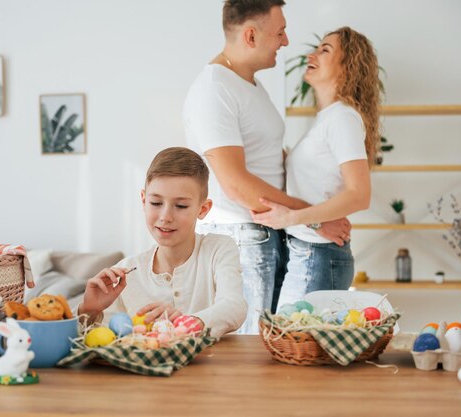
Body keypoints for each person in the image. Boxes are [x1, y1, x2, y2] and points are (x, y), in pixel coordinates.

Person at [183, 0, 350, 334]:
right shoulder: (215, 89)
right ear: (250, 35)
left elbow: (270, 157)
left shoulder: (249, 85)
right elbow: (236, 185)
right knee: (251, 353)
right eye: (280, 32)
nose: (286, 41)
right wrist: (315, 217)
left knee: (272, 347)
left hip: (263, 233)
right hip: (243, 236)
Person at [252, 27, 381, 309]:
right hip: (307, 252)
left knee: (298, 345)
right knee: (295, 345)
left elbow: (359, 194)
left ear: (348, 66)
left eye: (325, 50)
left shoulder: (343, 119)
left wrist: (294, 217)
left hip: (318, 257)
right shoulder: (329, 119)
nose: (311, 54)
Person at [77, 147, 247, 338]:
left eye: (181, 206)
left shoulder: (219, 249)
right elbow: (97, 338)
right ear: (143, 200)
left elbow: (234, 307)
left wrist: (187, 324)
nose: (165, 216)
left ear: (203, 208)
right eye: (156, 203)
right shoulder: (125, 273)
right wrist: (90, 311)